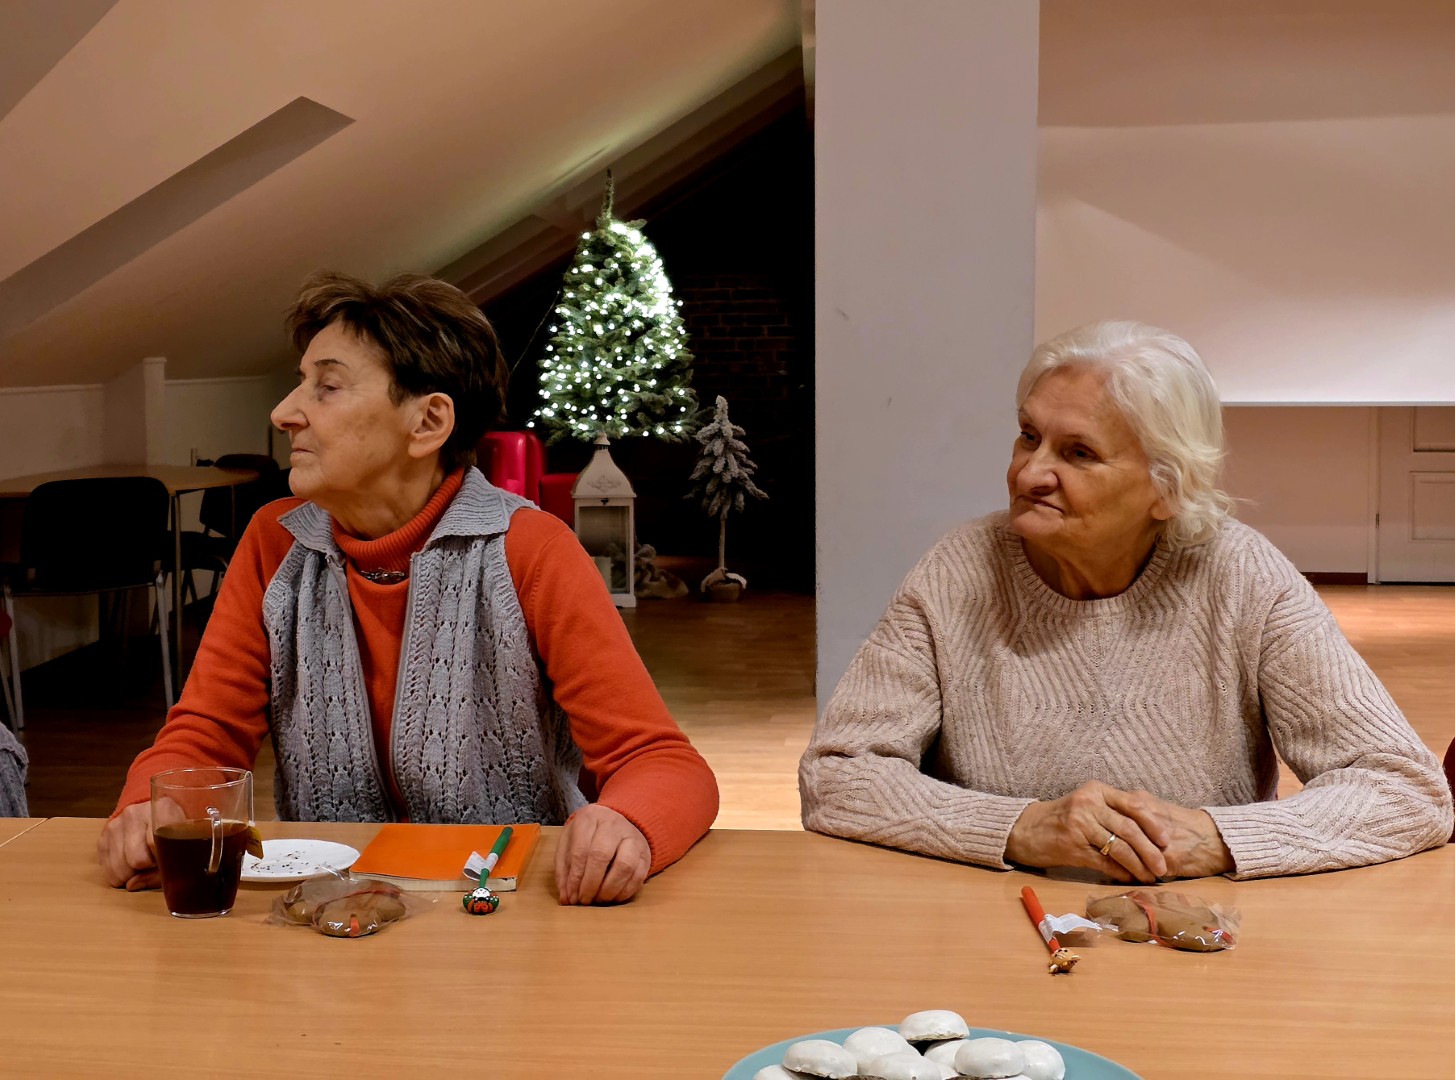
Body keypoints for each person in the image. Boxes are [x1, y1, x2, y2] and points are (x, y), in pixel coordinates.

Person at [97, 271, 718, 904]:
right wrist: (151, 805)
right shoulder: (273, 542)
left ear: (428, 422)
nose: (284, 413)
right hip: (329, 918)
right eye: (300, 383)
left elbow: (661, 762)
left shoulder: (531, 551)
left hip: (506, 915)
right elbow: (203, 738)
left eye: (327, 387)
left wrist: (627, 824)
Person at [800, 320, 1452, 882]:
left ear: (1167, 489)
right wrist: (1018, 828)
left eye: (1078, 453)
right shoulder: (959, 569)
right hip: (992, 926)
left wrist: (1218, 839)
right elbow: (837, 777)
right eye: (1028, 436)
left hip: (1196, 932)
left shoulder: (1240, 576)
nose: (1029, 472)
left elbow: (1407, 791)